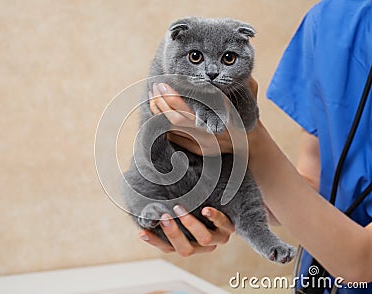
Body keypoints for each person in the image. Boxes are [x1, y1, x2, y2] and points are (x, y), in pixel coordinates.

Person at [138, 0, 372, 292]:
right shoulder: (329, 19)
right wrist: (211, 202)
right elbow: (315, 189)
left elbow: (363, 263)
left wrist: (248, 141)